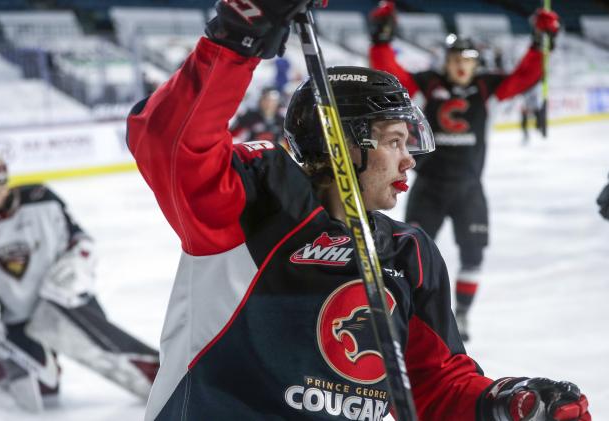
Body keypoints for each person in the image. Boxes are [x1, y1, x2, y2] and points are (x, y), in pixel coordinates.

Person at [127, 1, 590, 420]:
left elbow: (438, 386)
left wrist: (507, 404)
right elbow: (169, 142)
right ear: (341, 145)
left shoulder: (408, 253)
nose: (409, 160)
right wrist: (237, 36)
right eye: (393, 142)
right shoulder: (256, 199)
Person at [368, 1, 561, 341]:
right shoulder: (428, 84)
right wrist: (382, 39)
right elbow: (390, 74)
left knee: (473, 254)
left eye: (468, 61)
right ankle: (407, 312)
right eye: (456, 60)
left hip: (468, 188)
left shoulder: (486, 87)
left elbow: (526, 76)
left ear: (477, 64)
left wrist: (540, 42)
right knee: (406, 254)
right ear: (446, 60)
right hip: (428, 186)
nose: (461, 67)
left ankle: (464, 315)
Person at [0, 148, 159, 411]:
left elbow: (81, 241)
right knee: (43, 391)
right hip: (19, 319)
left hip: (63, 302)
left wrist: (71, 271)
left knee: (105, 348)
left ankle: (157, 375)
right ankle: (6, 358)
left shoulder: (42, 199)